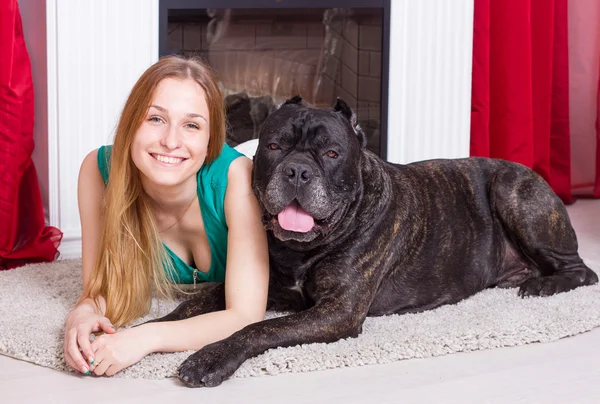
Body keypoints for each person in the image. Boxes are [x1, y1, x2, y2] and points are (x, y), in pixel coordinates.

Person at [63, 55, 269, 377]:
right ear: (131, 123)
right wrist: (83, 313)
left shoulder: (237, 176)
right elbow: (100, 287)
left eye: (192, 125)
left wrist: (147, 337)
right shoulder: (98, 171)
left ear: (210, 139)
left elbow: (245, 316)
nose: (171, 141)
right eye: (156, 119)